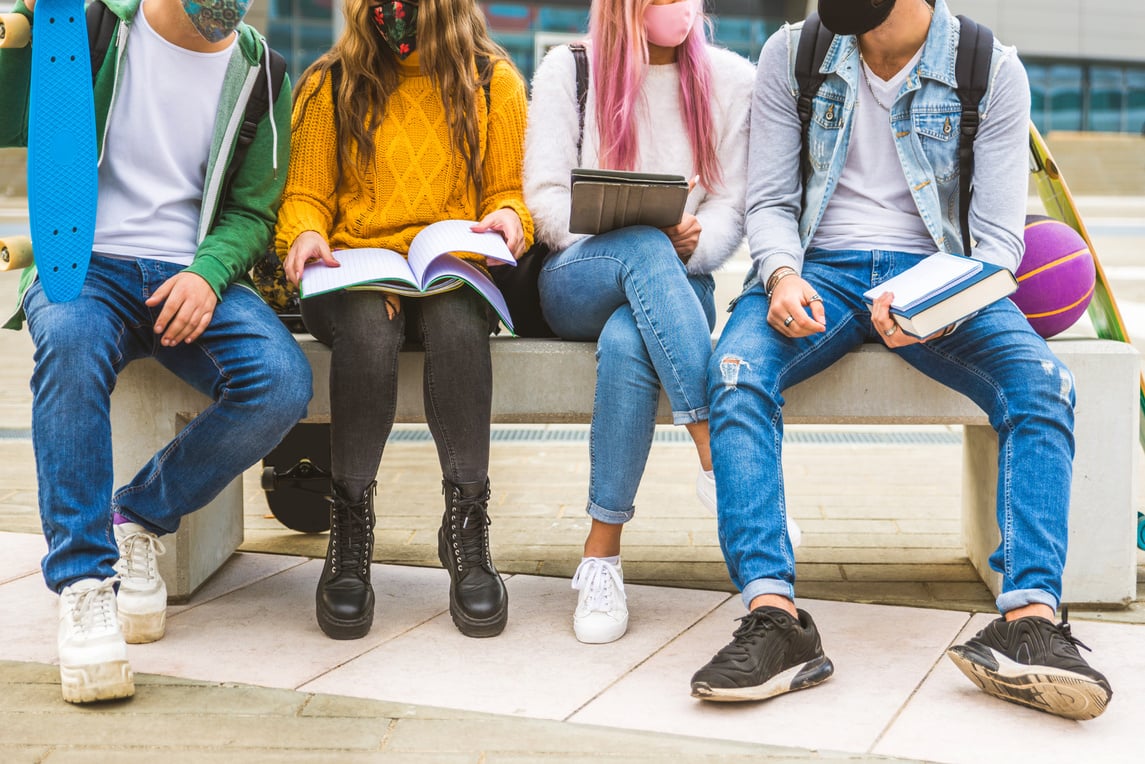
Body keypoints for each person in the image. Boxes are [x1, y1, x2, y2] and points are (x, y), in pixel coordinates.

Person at [690, 0, 1113, 721]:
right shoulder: (792, 55)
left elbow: (995, 243)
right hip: (816, 270)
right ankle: (774, 617)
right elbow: (767, 200)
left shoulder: (989, 70)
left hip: (939, 277)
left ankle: (1028, 622)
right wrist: (782, 273)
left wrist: (936, 306)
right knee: (734, 374)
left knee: (1043, 384)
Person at [0, 0, 311, 703]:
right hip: (84, 256)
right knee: (71, 343)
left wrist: (207, 273)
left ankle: (139, 515)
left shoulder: (263, 72)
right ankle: (83, 581)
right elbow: (10, 119)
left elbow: (252, 211)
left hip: (186, 271)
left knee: (281, 380)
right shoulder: (89, 29)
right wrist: (19, 42)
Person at [276, 0, 531, 641]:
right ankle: (351, 530)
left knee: (457, 320)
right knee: (366, 323)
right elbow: (307, 194)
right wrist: (305, 235)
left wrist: (508, 219)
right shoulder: (329, 83)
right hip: (351, 275)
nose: (395, 12)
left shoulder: (492, 83)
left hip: (446, 271)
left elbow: (512, 192)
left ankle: (467, 529)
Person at [525, 0, 757, 644]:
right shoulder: (568, 70)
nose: (682, 7)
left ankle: (600, 559)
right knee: (643, 247)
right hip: (578, 275)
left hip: (682, 282)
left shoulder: (734, 80)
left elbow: (734, 203)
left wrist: (694, 241)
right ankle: (724, 461)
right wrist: (629, 223)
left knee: (631, 339)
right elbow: (543, 199)